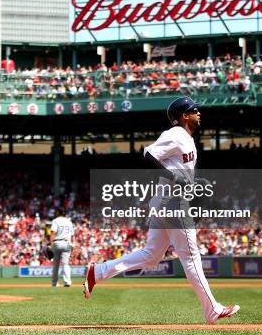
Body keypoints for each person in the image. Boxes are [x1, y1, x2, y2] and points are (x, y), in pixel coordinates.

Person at [82, 97, 240, 324]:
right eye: (194, 110)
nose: (199, 113)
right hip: (172, 202)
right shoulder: (175, 133)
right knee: (191, 257)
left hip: (166, 201)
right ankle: (212, 309)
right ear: (184, 115)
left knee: (152, 255)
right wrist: (176, 177)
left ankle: (97, 272)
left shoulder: (186, 138)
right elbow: (149, 153)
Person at [50, 208, 74, 287]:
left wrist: (51, 244)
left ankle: (54, 283)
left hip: (57, 242)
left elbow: (53, 232)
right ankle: (67, 282)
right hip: (67, 243)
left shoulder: (56, 220)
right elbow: (72, 235)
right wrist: (72, 244)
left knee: (56, 264)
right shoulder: (69, 221)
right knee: (66, 264)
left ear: (58, 212)